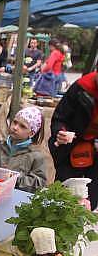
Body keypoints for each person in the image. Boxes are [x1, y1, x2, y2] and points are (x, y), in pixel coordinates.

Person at [49, 70, 98, 209]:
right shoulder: (81, 87)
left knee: (90, 202)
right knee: (62, 197)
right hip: (71, 148)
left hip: (95, 156)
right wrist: (61, 133)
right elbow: (59, 118)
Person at [0, 106, 47, 192]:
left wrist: (15, 179)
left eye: (22, 126)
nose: (15, 128)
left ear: (31, 133)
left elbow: (39, 183)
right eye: (15, 122)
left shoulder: (36, 155)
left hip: (18, 197)